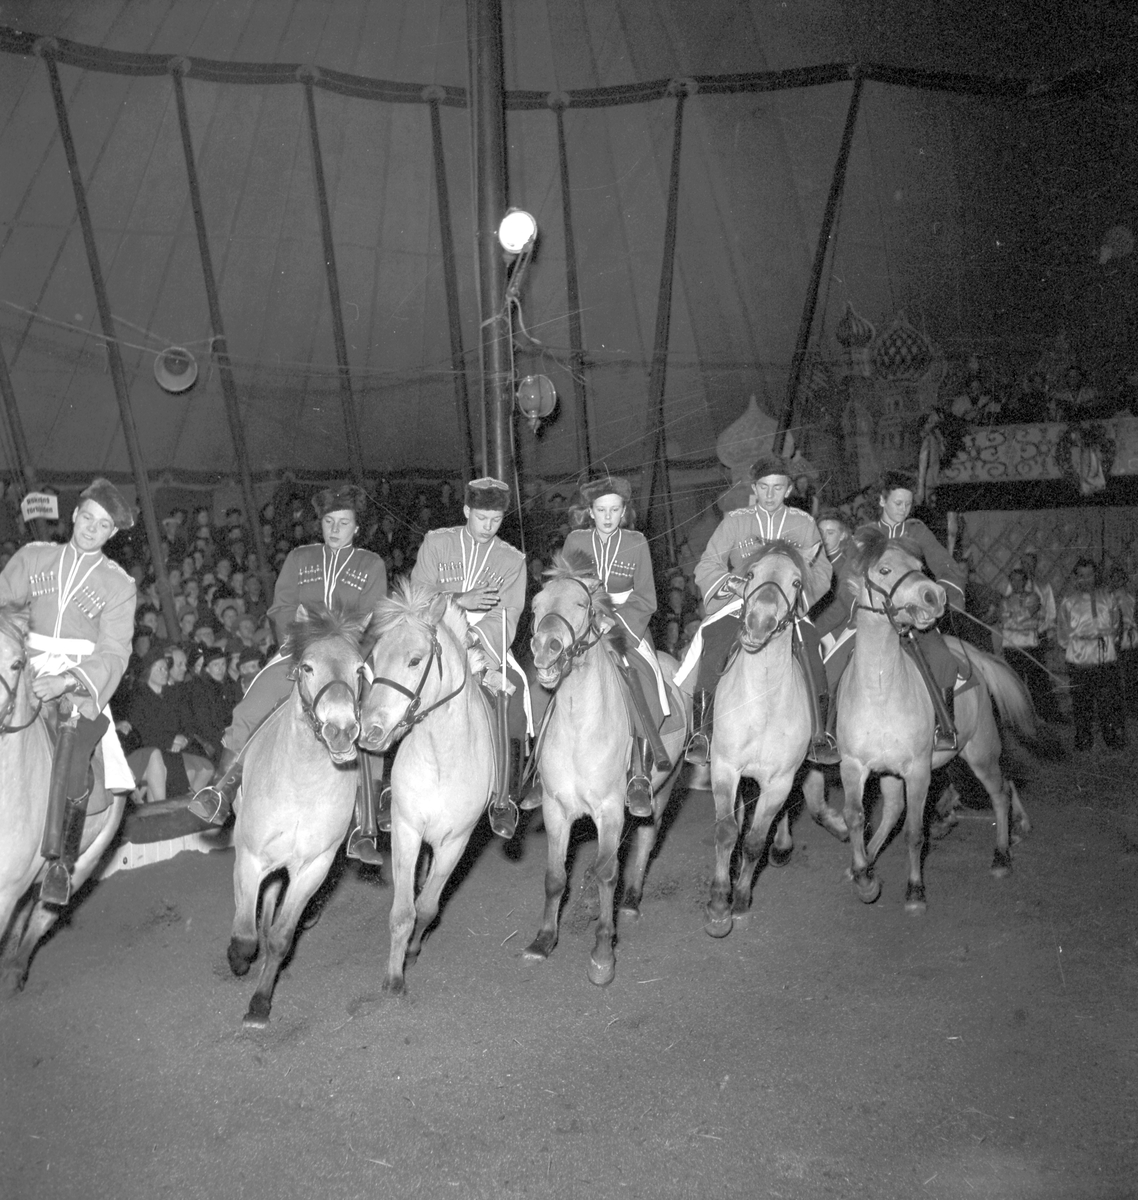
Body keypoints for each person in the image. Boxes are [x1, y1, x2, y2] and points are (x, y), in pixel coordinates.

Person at [189, 484, 388, 863]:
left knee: (371, 714)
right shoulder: (300, 558)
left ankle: (365, 824)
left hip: (349, 658)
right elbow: (281, 607)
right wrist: (298, 646)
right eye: (329, 522)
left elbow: (374, 619)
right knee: (256, 700)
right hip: (301, 653)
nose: (335, 530)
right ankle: (221, 790)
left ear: (357, 527)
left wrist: (352, 655)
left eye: (344, 523)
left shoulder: (371, 565)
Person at [0, 478, 138, 905]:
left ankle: (60, 860)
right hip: (20, 664)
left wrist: (66, 681)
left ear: (112, 534)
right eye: (88, 518)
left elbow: (114, 653)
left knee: (76, 760)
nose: (92, 529)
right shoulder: (32, 557)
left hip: (75, 685)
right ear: (75, 514)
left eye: (103, 525)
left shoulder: (119, 584)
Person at [677, 454, 836, 765]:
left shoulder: (803, 524)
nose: (770, 495)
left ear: (789, 489)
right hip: (742, 602)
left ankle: (819, 735)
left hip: (787, 607)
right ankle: (702, 732)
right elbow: (708, 564)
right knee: (715, 641)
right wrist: (733, 585)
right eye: (764, 487)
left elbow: (821, 571)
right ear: (754, 488)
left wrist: (796, 602)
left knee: (811, 646)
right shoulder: (735, 521)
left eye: (777, 488)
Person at [410, 477, 527, 838]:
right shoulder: (437, 542)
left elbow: (508, 613)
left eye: (496, 520)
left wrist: (473, 638)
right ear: (466, 511)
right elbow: (418, 594)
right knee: (402, 683)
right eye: (481, 518)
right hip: (433, 633)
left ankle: (504, 797)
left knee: (515, 692)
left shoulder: (512, 560)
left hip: (483, 641)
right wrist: (460, 600)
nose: (488, 526)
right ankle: (388, 787)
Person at [559, 475, 669, 816]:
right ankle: (541, 769)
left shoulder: (636, 542)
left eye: (615, 510)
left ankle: (639, 775)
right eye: (601, 510)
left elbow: (646, 597)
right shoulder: (576, 540)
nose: (608, 517)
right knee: (547, 677)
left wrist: (615, 621)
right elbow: (565, 588)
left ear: (624, 512)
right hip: (581, 624)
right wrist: (585, 618)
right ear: (590, 511)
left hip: (625, 625)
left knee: (644, 680)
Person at [872, 469, 968, 751]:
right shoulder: (867, 535)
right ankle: (828, 734)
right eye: (897, 503)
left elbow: (946, 567)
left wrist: (940, 596)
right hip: (875, 618)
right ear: (882, 501)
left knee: (943, 660)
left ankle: (944, 727)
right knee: (834, 663)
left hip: (913, 617)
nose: (904, 510)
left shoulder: (916, 531)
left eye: (908, 504)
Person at [119, 645, 211, 801]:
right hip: (153, 749)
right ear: (148, 671)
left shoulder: (172, 694)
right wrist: (170, 741)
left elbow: (187, 722)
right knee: (177, 770)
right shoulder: (138, 697)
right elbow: (141, 732)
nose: (165, 672)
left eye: (165, 669)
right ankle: (170, 807)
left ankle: (184, 806)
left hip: (174, 749)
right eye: (159, 669)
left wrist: (184, 739)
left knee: (203, 768)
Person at [1058, 559, 1125, 750]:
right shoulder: (1068, 602)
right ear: (1075, 578)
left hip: (1104, 657)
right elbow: (1063, 633)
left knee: (1107, 701)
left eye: (1089, 575)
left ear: (1096, 576)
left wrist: (1106, 642)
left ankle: (1111, 737)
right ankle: (1083, 739)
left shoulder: (1108, 598)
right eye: (1081, 576)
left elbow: (1116, 626)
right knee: (1081, 701)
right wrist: (1078, 646)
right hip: (1079, 659)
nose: (1085, 580)